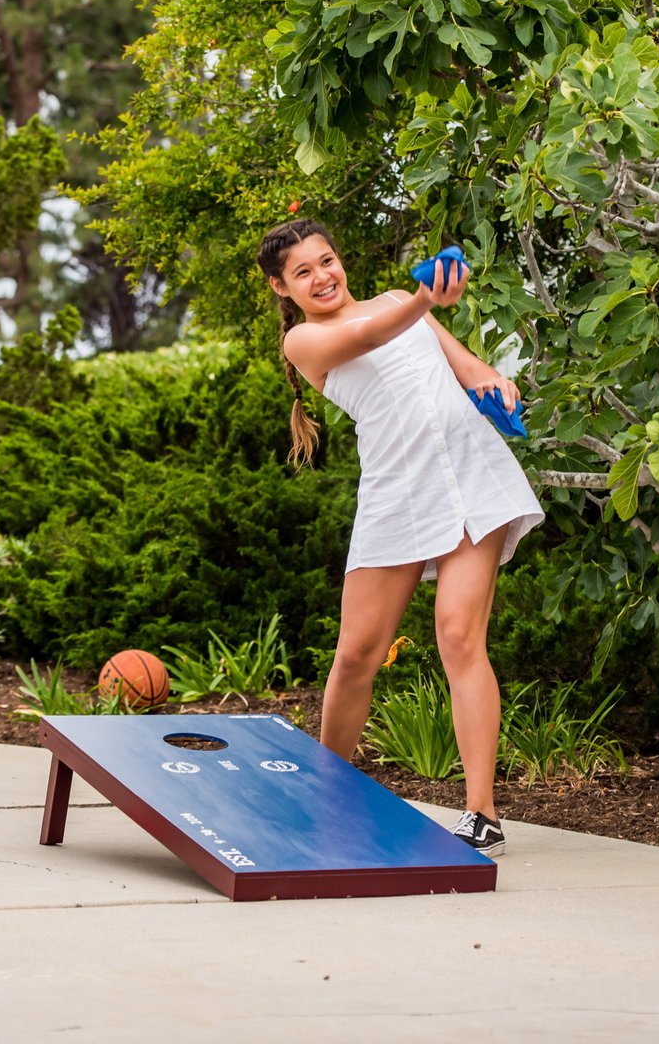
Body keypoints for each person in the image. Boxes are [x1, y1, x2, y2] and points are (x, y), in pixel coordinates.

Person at [258, 219, 543, 856]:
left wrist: (497, 384)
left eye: (326, 261)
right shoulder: (304, 341)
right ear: (283, 287)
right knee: (357, 655)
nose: (322, 277)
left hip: (472, 478)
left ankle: (482, 813)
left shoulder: (396, 301)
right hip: (398, 496)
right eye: (303, 272)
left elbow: (469, 369)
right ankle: (328, 792)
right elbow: (371, 334)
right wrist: (424, 298)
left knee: (460, 637)